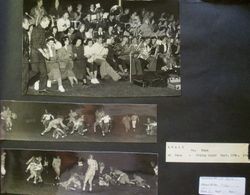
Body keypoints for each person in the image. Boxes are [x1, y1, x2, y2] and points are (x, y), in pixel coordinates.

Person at [29, 16, 50, 93]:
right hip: (34, 53)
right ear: (43, 21)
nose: (48, 25)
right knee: (35, 71)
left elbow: (43, 43)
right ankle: (22, 81)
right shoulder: (36, 29)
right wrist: (44, 53)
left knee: (44, 71)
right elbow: (35, 44)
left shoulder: (43, 30)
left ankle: (42, 89)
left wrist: (46, 51)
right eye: (47, 23)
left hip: (40, 53)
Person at [22, 17, 30, 95]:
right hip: (23, 58)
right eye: (27, 23)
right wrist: (26, 57)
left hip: (23, 57)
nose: (29, 24)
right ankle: (23, 94)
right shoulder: (24, 33)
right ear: (23, 23)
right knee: (24, 77)